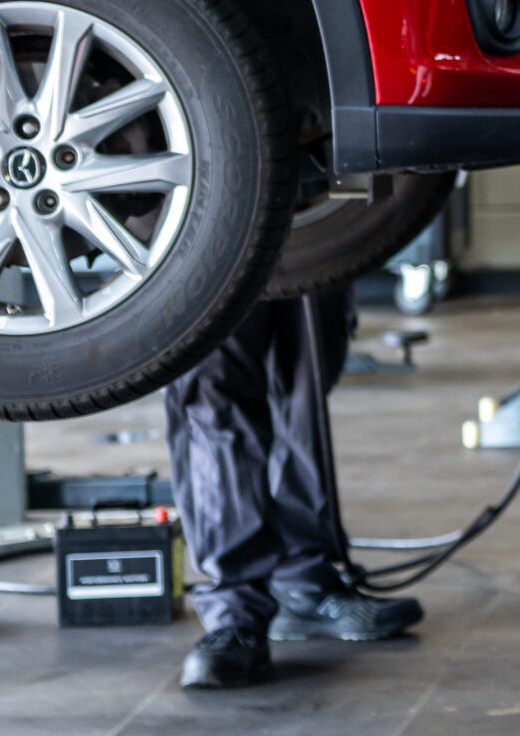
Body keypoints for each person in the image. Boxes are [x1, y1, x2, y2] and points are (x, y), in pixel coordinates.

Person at [165, 286, 422, 689]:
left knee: (304, 374)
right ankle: (234, 611)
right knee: (214, 390)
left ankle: (301, 581)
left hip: (305, 231)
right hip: (208, 235)